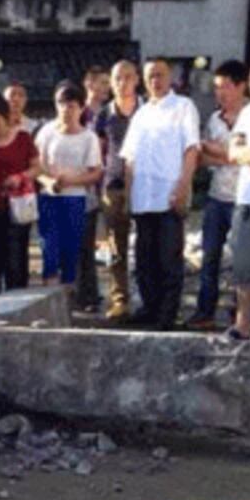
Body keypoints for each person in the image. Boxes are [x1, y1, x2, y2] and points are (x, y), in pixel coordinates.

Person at [121, 58, 201, 330]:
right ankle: (150, 308)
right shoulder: (141, 114)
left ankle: (168, 314)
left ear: (170, 78)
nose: (155, 80)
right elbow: (129, 158)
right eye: (150, 76)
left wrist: (183, 187)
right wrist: (129, 196)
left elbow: (192, 149)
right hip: (143, 198)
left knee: (169, 259)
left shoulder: (183, 107)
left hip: (169, 196)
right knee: (144, 261)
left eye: (160, 75)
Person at [187, 59, 250, 329]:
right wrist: (228, 156)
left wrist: (219, 152)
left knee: (242, 261)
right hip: (217, 197)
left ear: (240, 86)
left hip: (242, 198)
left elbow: (234, 156)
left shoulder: (248, 114)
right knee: (210, 257)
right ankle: (205, 311)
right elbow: (203, 158)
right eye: (216, 88)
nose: (220, 94)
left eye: (225, 87)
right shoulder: (214, 119)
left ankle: (240, 316)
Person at [35, 81, 103, 293]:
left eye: (72, 105)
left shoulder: (88, 137)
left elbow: (95, 172)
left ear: (81, 107)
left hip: (75, 199)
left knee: (71, 250)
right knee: (49, 249)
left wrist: (70, 181)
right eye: (61, 104)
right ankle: (49, 294)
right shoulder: (46, 132)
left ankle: (69, 298)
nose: (66, 110)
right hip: (48, 198)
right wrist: (49, 182)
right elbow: (35, 166)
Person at [0, 93, 40, 298]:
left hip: (17, 207)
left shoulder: (23, 138)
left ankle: (17, 302)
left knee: (16, 261)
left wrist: (20, 177)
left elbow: (37, 168)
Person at [95, 60, 143, 321]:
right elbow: (99, 150)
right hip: (112, 187)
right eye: (117, 79)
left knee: (148, 247)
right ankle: (120, 300)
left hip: (146, 187)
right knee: (115, 249)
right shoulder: (104, 114)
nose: (123, 83)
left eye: (128, 77)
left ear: (137, 79)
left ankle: (149, 299)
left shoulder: (148, 110)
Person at [76, 66, 111, 312]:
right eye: (101, 82)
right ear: (88, 83)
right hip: (84, 183)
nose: (106, 88)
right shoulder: (80, 113)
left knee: (111, 243)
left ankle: (113, 295)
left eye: (107, 83)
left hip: (109, 182)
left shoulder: (111, 113)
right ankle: (85, 293)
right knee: (83, 243)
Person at [227, 65, 250, 340]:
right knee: (245, 266)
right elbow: (234, 151)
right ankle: (242, 325)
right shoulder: (247, 114)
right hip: (247, 199)